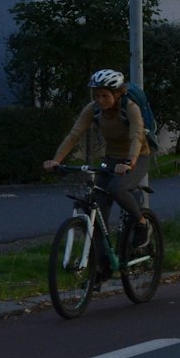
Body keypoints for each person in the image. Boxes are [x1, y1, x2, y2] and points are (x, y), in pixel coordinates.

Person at [44, 69, 151, 246]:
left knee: (117, 188)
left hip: (138, 157)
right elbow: (74, 134)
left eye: (105, 96)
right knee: (96, 203)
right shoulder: (93, 109)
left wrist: (129, 163)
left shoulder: (130, 108)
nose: (100, 100)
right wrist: (57, 160)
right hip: (111, 158)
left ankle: (141, 224)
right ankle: (102, 265)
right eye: (96, 95)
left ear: (117, 94)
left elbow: (137, 136)